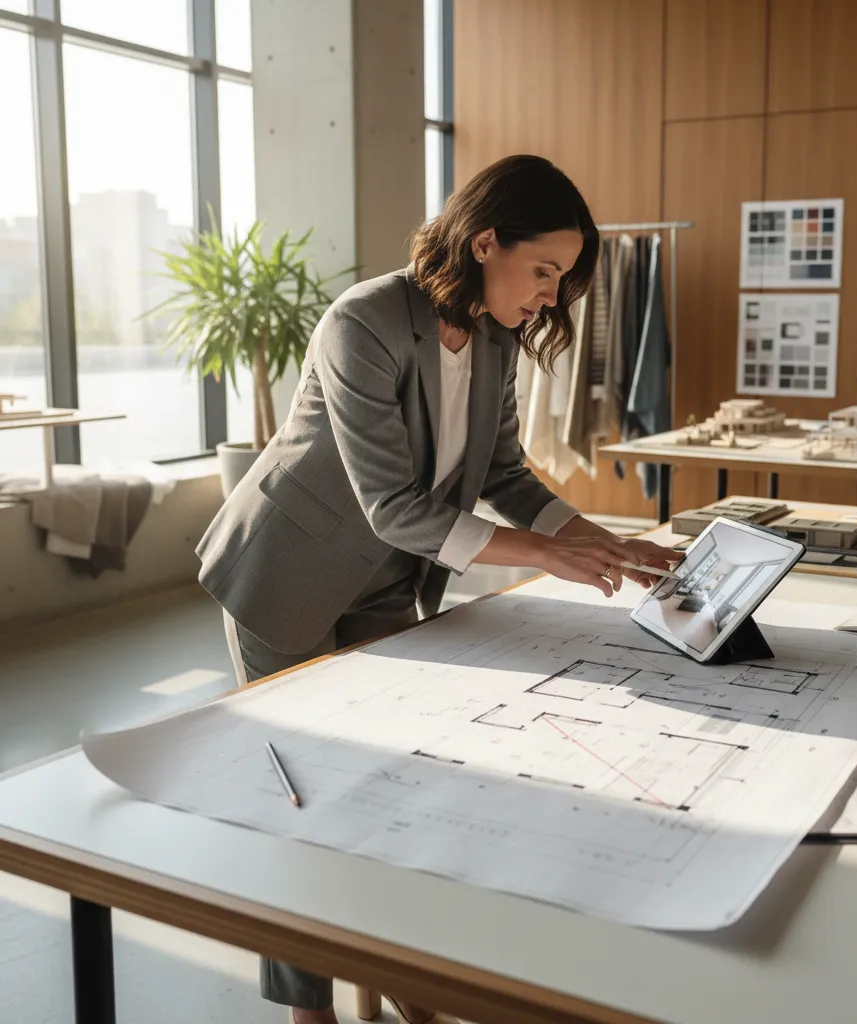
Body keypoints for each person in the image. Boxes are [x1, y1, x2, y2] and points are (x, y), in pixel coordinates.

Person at [195, 153, 677, 1024]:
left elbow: (505, 473)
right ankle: (314, 1012)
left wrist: (603, 541)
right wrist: (542, 556)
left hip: (387, 581)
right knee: (298, 798)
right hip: (287, 573)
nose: (549, 297)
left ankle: (404, 984)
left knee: (390, 786)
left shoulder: (495, 342)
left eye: (561, 281)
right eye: (542, 271)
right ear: (484, 241)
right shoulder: (365, 321)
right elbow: (391, 503)